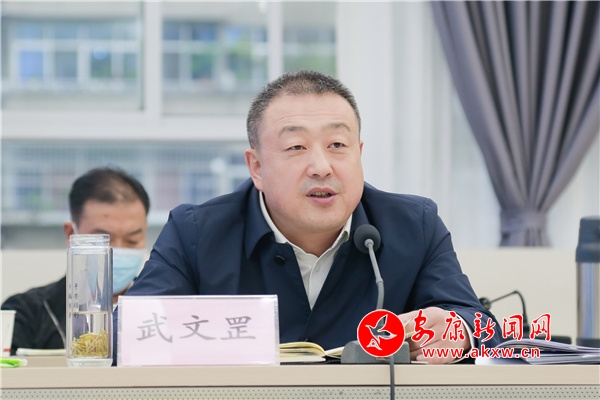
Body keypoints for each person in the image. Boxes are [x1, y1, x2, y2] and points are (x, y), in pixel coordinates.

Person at [117, 70, 501, 364]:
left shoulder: (414, 225)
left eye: (338, 145)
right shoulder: (196, 233)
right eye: (296, 147)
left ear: (359, 153)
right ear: (256, 167)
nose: (321, 166)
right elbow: (125, 334)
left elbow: (485, 327)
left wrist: (458, 330)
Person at [2, 167, 150, 354]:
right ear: (71, 234)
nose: (117, 250)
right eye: (103, 240)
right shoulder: (27, 313)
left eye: (132, 240)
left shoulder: (163, 310)